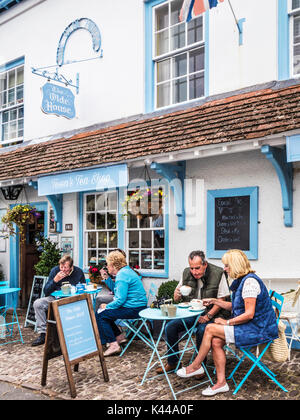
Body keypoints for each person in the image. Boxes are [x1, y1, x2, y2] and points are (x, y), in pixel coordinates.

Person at [176, 249, 279, 396]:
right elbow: (236, 306)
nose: (225, 268)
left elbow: (249, 314)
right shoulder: (243, 280)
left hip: (258, 330)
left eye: (227, 265)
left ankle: (196, 365)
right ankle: (221, 383)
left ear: (235, 265)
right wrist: (214, 301)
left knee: (210, 328)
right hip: (251, 326)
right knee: (216, 341)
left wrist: (227, 322)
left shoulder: (250, 282)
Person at [156, 250, 231, 375]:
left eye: (197, 268)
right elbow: (177, 298)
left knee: (202, 330)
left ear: (205, 264)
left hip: (215, 314)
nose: (194, 272)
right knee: (170, 327)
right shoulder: (186, 273)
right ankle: (173, 362)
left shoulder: (218, 273)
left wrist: (208, 316)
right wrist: (176, 295)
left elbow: (221, 299)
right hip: (193, 313)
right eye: (192, 268)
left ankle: (200, 365)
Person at [95, 250, 147, 356]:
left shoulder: (122, 276)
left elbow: (120, 300)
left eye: (108, 265)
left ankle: (113, 345)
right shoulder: (126, 271)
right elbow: (118, 294)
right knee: (104, 313)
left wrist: (107, 306)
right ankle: (119, 337)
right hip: (138, 307)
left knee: (101, 314)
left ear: (114, 265)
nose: (107, 267)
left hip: (134, 309)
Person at [31, 255, 86, 346]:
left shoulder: (78, 272)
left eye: (66, 268)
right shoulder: (55, 271)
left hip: (72, 300)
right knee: (38, 303)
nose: (63, 270)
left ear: (71, 267)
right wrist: (55, 280)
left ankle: (75, 333)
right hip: (55, 299)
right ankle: (43, 334)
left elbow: (83, 288)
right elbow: (46, 291)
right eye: (61, 267)